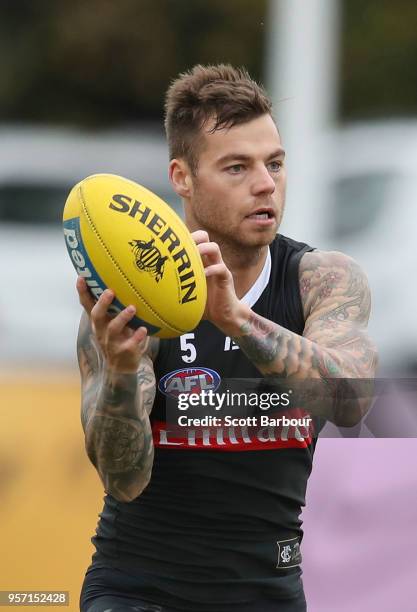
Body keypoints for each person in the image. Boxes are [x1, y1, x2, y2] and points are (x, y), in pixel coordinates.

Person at [77, 64, 377, 612]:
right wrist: (121, 373)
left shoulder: (321, 280)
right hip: (140, 592)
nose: (265, 183)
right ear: (182, 177)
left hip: (266, 591)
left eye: (275, 163)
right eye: (237, 167)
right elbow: (122, 479)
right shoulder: (134, 296)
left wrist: (238, 320)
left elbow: (352, 402)